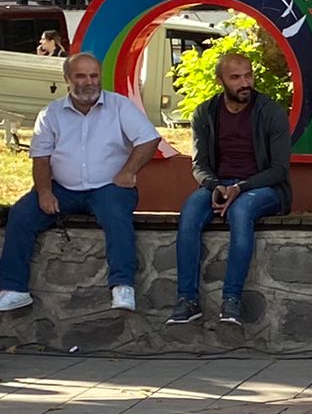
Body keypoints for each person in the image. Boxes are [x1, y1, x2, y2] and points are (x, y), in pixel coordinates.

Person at [0, 54, 158, 314]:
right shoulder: (50, 114)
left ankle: (122, 286)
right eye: (81, 76)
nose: (89, 82)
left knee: (116, 215)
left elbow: (148, 139)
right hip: (63, 188)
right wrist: (44, 192)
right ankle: (14, 289)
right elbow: (40, 158)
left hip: (108, 187)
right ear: (67, 79)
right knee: (21, 214)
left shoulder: (120, 106)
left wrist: (128, 172)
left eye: (94, 76)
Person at [168, 51, 292, 325]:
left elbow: (280, 169)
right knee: (189, 212)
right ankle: (187, 300)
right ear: (220, 80)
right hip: (219, 184)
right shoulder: (205, 112)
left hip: (263, 187)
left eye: (248, 75)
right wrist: (215, 186)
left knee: (241, 211)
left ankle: (231, 300)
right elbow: (199, 165)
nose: (244, 83)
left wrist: (241, 187)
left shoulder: (271, 112)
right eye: (236, 77)